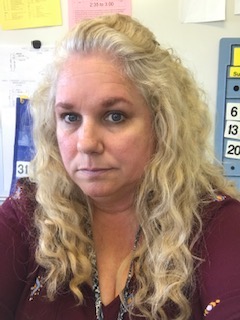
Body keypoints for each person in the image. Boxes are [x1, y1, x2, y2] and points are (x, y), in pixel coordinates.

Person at [0, 13, 240, 320]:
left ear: (162, 124)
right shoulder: (27, 214)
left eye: (115, 116)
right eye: (70, 117)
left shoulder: (215, 223)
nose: (86, 143)